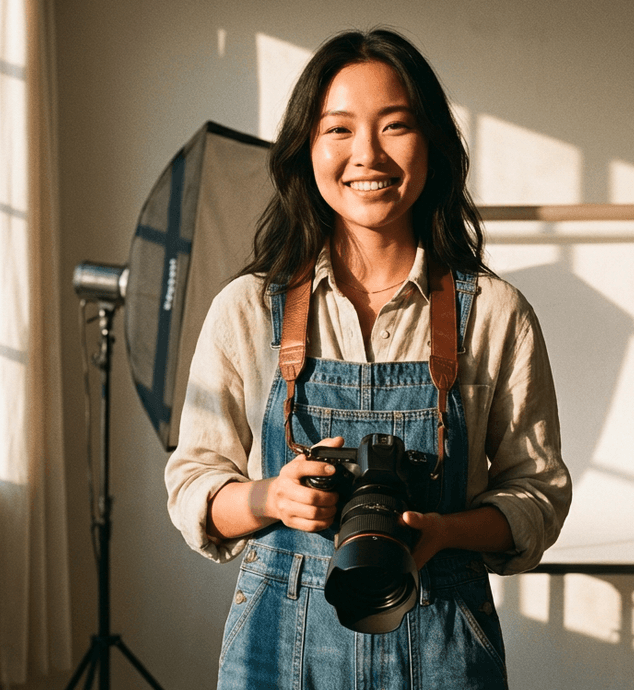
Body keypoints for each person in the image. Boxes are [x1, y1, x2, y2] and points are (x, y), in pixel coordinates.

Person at [165, 28, 570, 689]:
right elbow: (191, 489)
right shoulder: (246, 309)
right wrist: (272, 497)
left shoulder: (496, 314)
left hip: (441, 636)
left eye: (395, 127)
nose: (367, 155)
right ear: (307, 149)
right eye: (340, 130)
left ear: (432, 146)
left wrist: (443, 531)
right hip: (278, 646)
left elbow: (539, 496)